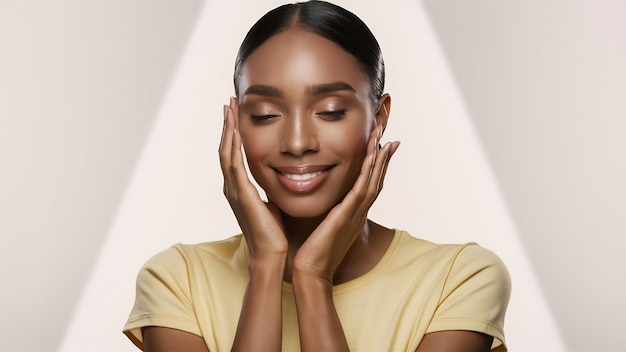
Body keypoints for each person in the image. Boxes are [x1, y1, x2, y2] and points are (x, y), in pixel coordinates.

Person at [123, 1, 511, 351]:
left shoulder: (459, 279)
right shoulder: (178, 281)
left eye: (329, 111)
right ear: (237, 123)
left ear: (379, 118)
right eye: (264, 114)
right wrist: (265, 267)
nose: (296, 142)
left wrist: (312, 278)